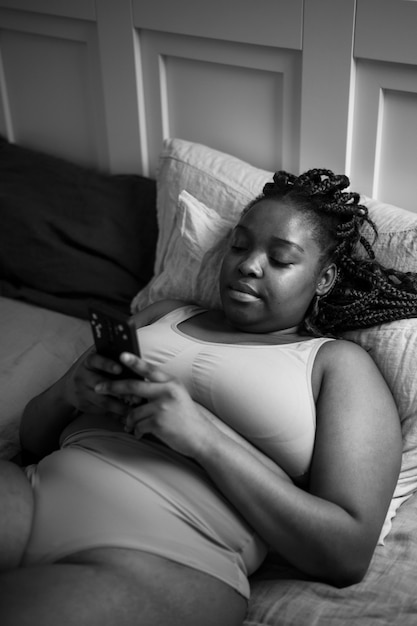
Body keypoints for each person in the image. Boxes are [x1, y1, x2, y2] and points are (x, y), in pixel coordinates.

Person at [1, 169, 416, 626]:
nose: (248, 264)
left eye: (280, 258)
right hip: (35, 491)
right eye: (239, 246)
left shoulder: (338, 365)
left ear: (324, 278)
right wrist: (69, 391)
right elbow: (33, 437)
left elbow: (347, 552)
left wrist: (201, 435)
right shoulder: (164, 314)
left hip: (164, 556)